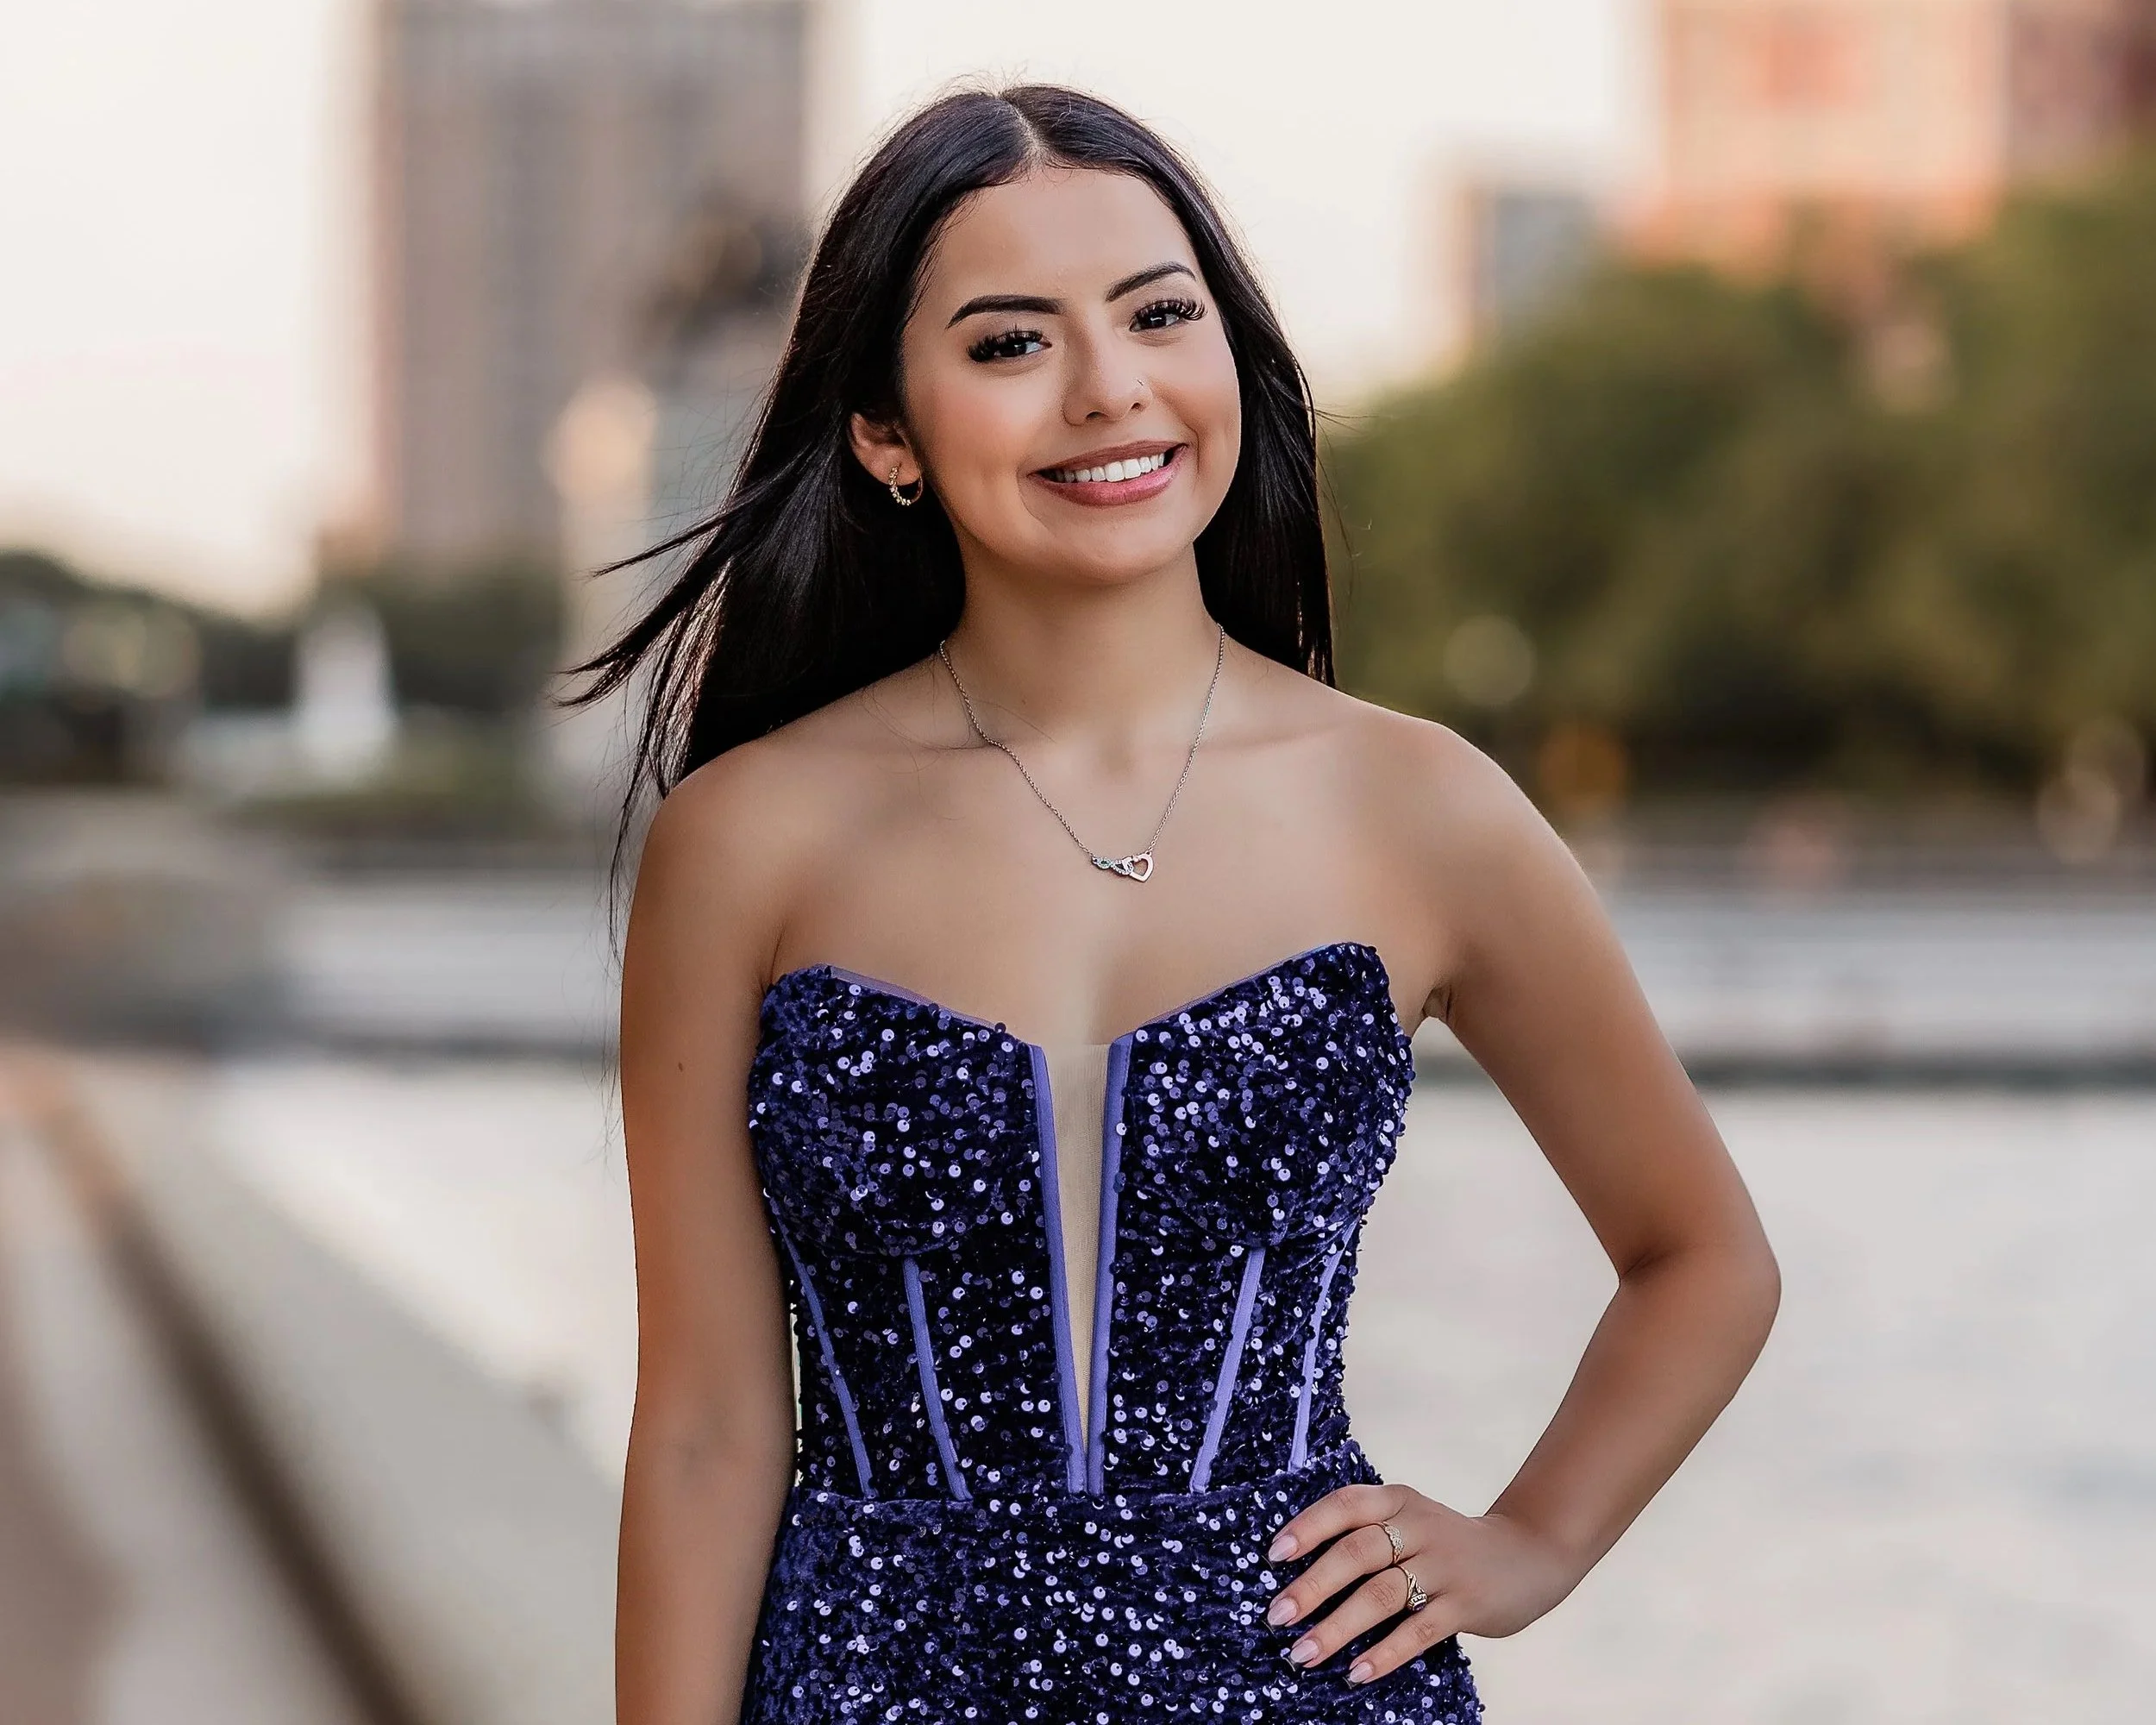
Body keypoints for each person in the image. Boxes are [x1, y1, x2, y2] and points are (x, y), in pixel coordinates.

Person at [580, 84, 1780, 1725]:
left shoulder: (1420, 808)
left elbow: (1703, 1256)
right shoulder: (748, 839)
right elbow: (710, 1428)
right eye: (1011, 344)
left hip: (1303, 1685)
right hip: (870, 1688)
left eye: (1160, 315)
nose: (1110, 389)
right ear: (885, 429)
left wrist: (1527, 1541)